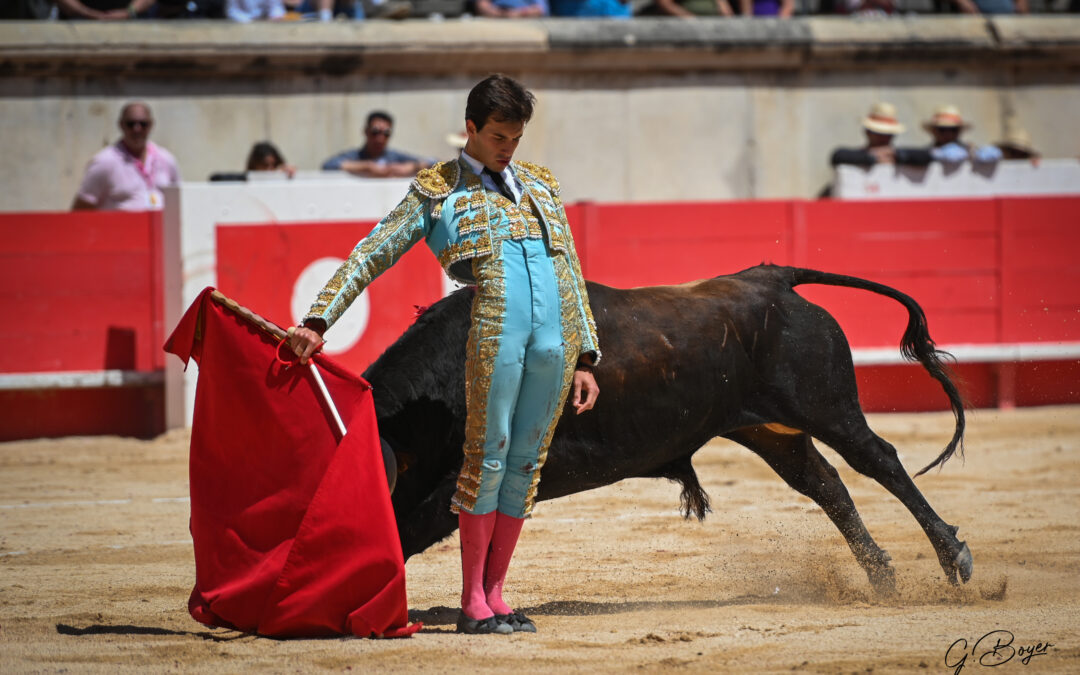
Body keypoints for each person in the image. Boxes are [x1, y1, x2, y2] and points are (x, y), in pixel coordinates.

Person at [289, 74, 600, 636]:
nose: (509, 148)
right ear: (472, 129)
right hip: (495, 335)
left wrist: (587, 356)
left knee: (526, 464)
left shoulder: (540, 185)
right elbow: (373, 252)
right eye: (500, 136)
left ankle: (498, 594)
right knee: (489, 456)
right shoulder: (438, 190)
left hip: (554, 342)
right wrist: (319, 318)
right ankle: (471, 601)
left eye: (517, 138)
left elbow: (568, 272)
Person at [72, 102, 181, 211]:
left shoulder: (166, 159)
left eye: (143, 124)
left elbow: (179, 201)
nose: (137, 129)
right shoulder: (104, 162)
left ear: (151, 125)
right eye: (131, 124)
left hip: (160, 227)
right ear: (121, 125)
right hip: (119, 227)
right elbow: (81, 210)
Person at [321, 111, 433, 178]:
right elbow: (328, 166)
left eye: (386, 133)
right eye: (375, 132)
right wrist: (366, 167)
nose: (380, 138)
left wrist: (412, 167)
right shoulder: (355, 156)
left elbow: (435, 163)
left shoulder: (394, 157)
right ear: (365, 131)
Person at [830, 102, 932, 168]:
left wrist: (897, 155)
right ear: (867, 132)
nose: (884, 138)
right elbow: (837, 156)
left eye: (888, 134)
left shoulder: (900, 155)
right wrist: (873, 158)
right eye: (878, 133)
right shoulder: (856, 156)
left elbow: (927, 156)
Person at [922, 104, 1002, 164]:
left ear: (959, 131)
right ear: (933, 131)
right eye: (942, 130)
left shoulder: (972, 152)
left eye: (953, 130)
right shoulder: (925, 153)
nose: (948, 134)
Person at [473, 0, 548, 17]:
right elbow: (481, 5)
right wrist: (501, 13)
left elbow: (540, 9)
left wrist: (519, 13)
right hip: (496, 17)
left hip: (525, 19)